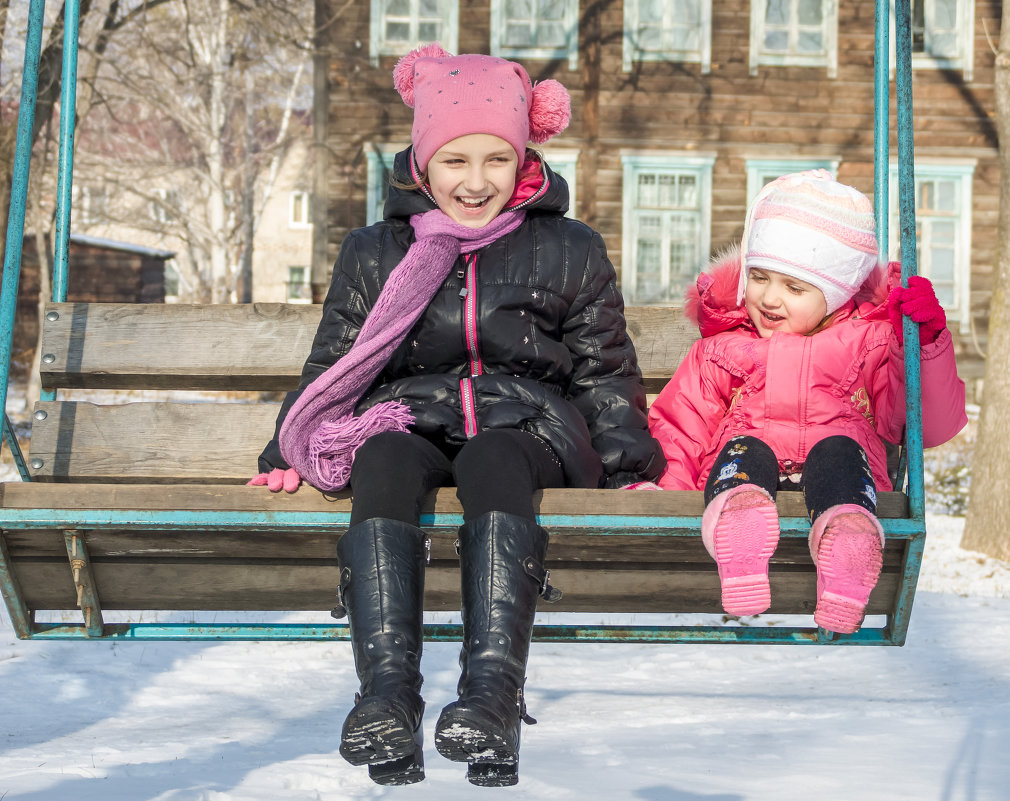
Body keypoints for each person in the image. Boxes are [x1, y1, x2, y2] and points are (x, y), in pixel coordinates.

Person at [248, 43, 665, 787]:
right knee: (381, 458)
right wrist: (285, 449)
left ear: (523, 159)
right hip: (412, 421)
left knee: (492, 458)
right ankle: (386, 698)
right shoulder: (376, 251)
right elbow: (337, 361)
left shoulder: (568, 249)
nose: (476, 183)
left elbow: (605, 367)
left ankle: (492, 695)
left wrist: (631, 468)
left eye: (495, 161)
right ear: (421, 163)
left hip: (527, 429)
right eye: (455, 162)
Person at [646, 170, 966, 634]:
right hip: (744, 473)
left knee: (837, 449)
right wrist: (664, 500)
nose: (770, 298)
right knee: (744, 450)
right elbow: (681, 428)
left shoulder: (871, 344)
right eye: (759, 277)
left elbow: (924, 425)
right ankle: (741, 533)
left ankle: (848, 548)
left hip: (842, 474)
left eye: (795, 288)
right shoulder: (722, 350)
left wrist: (924, 345)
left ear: (835, 296)